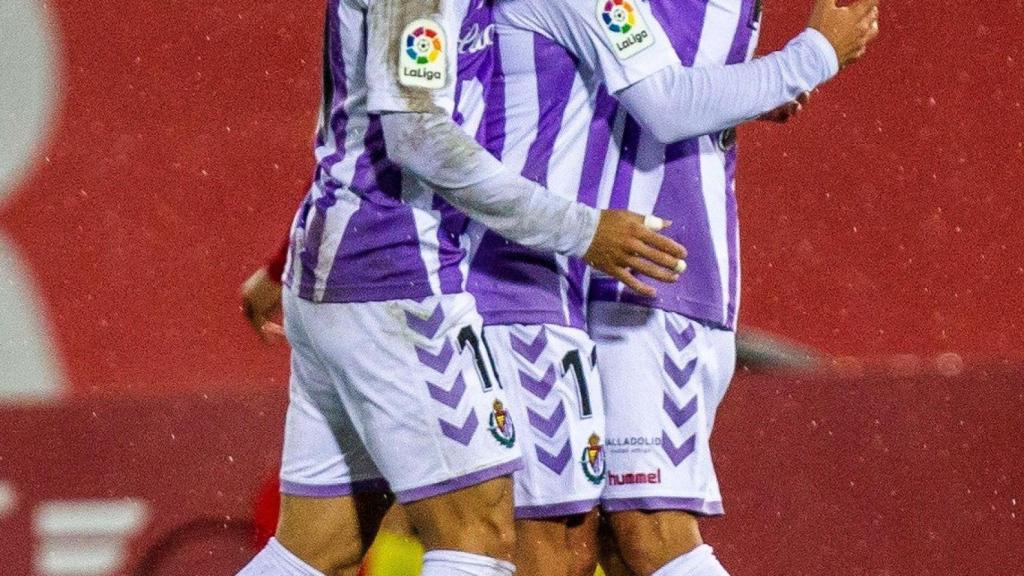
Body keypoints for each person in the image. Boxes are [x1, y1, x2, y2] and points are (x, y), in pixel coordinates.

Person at [235, 0, 686, 575]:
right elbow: (415, 134)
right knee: (480, 535)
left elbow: (359, 126)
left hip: (351, 270)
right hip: (396, 272)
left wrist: (280, 266)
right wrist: (582, 230)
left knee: (320, 548)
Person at [471, 0, 879, 574]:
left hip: (658, 272)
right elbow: (669, 84)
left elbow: (666, 101)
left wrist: (807, 56)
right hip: (587, 269)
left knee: (649, 532)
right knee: (601, 539)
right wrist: (761, 82)